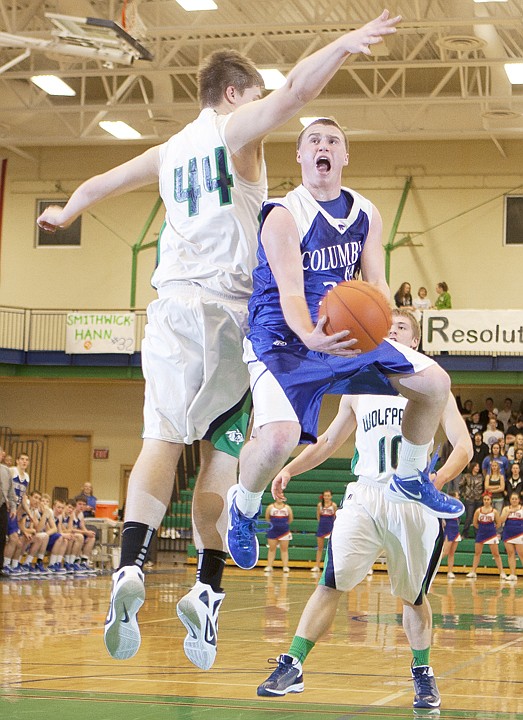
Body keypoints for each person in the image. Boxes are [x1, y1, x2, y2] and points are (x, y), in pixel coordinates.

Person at [36, 11, 403, 667]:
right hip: (230, 312)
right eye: (254, 98)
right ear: (235, 94)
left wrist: (65, 213)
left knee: (159, 440)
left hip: (170, 309)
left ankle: (130, 567)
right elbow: (294, 94)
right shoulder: (234, 130)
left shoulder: (167, 149)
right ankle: (206, 590)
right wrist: (341, 46)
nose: (263, 110)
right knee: (219, 459)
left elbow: (97, 184)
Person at [226, 118, 464, 575]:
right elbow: (292, 293)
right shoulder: (283, 212)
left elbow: (376, 281)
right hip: (283, 335)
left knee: (434, 383)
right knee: (279, 439)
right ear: (299, 156)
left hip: (344, 330)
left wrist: (383, 321)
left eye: (333, 141)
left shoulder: (365, 212)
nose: (323, 146)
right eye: (313, 140)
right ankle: (245, 505)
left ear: (344, 156)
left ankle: (411, 474)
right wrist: (309, 335)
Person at [255, 309, 471, 710]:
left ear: (416, 343)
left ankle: (423, 674)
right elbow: (328, 441)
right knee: (331, 583)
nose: (391, 330)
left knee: (414, 598)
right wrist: (291, 467)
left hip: (413, 504)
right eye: (386, 326)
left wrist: (435, 481)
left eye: (401, 328)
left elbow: (463, 445)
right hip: (367, 495)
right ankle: (293, 664)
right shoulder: (358, 386)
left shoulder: (433, 386)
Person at [466, 492, 508, 580]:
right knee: (477, 553)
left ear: (491, 501)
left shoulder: (494, 511)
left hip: (491, 534)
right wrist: (482, 529)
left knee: (496, 554)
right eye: (485, 499)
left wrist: (491, 529)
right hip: (481, 533)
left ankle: (502, 572)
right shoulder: (478, 511)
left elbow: (499, 523)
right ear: (483, 500)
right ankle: (473, 571)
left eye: (488, 499)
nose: (486, 501)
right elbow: (475, 523)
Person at [264, 498, 293, 573]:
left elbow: (290, 519)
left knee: (284, 549)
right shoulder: (270, 507)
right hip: (273, 530)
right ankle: (269, 566)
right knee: (271, 549)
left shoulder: (287, 508)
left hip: (284, 531)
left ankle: (285, 566)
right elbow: (267, 518)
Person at [311, 490, 337, 573]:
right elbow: (318, 517)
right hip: (322, 527)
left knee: (332, 548)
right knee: (320, 548)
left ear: (331, 496)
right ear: (323, 496)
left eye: (328, 496)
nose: (327, 497)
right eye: (325, 496)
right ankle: (317, 566)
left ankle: (331, 566)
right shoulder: (320, 505)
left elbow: (335, 517)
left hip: (330, 528)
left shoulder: (333, 505)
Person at [0, 447, 17, 574]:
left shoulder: (6, 470)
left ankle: (0, 567)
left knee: (1, 537)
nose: (2, 455)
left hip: (2, 506)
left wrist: (13, 507)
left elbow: (11, 492)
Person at [499, 492, 523, 581]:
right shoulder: (506, 509)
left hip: (520, 533)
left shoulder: (522, 508)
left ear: (519, 500)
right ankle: (513, 574)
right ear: (510, 500)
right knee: (510, 554)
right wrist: (508, 512)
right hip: (508, 533)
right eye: (512, 499)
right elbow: (501, 520)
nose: (514, 500)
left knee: (521, 554)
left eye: (516, 499)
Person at [459, 461, 484, 538]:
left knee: (477, 518)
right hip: (469, 499)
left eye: (478, 467)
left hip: (479, 499)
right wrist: (464, 494)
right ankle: (465, 533)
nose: (477, 468)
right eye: (476, 466)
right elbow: (460, 485)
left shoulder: (481, 476)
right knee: (469, 517)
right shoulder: (467, 476)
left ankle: (477, 534)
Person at [441, 497, 462, 579]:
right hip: (449, 531)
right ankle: (431, 568)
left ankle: (450, 571)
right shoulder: (446, 509)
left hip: (456, 531)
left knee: (452, 553)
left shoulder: (458, 509)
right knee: (445, 552)